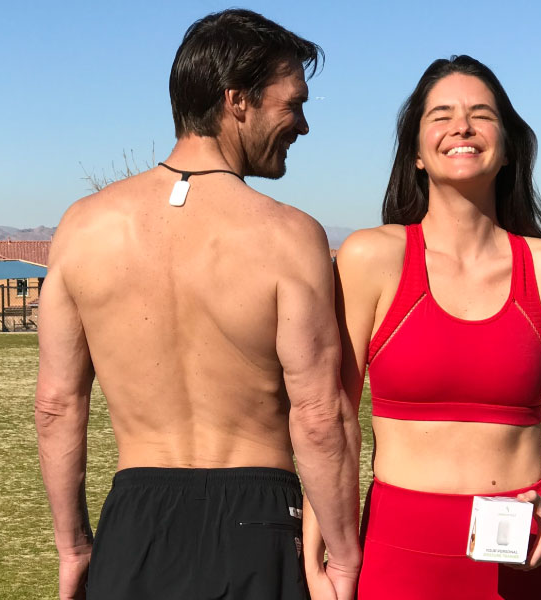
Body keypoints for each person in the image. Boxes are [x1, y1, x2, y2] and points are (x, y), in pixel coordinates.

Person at [35, 9, 361, 600]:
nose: (304, 126)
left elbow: (57, 406)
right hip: (258, 517)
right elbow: (319, 415)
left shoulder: (82, 228)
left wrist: (73, 547)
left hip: (135, 519)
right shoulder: (290, 236)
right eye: (294, 104)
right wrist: (342, 556)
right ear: (238, 100)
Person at [304, 55, 541, 599]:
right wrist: (317, 554)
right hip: (396, 556)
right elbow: (334, 417)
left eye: (480, 114)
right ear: (415, 151)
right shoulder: (371, 257)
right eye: (441, 115)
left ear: (507, 147)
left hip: (517, 563)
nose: (461, 126)